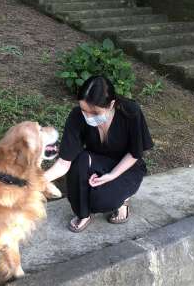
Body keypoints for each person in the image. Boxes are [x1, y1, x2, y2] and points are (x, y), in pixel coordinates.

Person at [44, 75, 153, 232]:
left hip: (127, 165)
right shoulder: (76, 116)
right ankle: (84, 214)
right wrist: (34, 181)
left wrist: (111, 175)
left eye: (94, 113)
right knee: (79, 159)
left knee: (103, 202)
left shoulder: (130, 112)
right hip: (96, 162)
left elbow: (135, 153)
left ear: (111, 104)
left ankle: (122, 201)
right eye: (84, 110)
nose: (88, 117)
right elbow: (64, 162)